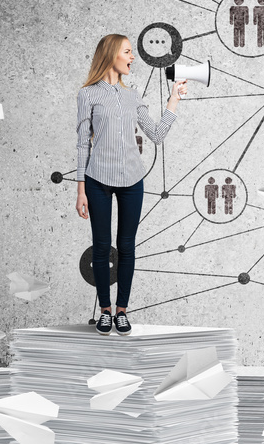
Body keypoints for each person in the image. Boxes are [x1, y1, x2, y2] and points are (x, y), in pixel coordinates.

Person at [76, 34, 187, 336]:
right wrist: (80, 188)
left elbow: (156, 134)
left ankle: (122, 311)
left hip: (132, 180)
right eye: (128, 52)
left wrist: (173, 100)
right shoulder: (88, 95)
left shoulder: (133, 95)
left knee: (126, 246)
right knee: (101, 247)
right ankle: (105, 311)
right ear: (112, 55)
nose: (132, 57)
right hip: (97, 179)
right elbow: (82, 144)